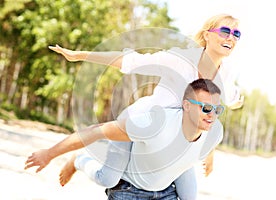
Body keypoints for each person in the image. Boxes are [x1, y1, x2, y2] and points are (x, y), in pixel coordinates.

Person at [26, 14, 244, 199]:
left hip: (178, 139)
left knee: (189, 196)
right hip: (144, 123)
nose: (230, 38)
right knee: (110, 178)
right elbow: (131, 61)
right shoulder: (180, 59)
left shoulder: (226, 74)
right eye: (225, 31)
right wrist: (81, 56)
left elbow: (217, 107)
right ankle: (80, 160)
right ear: (207, 34)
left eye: (236, 34)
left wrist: (207, 151)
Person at [25, 78, 225, 200]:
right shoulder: (154, 126)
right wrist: (49, 154)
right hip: (133, 161)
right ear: (186, 105)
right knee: (108, 178)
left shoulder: (215, 130)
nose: (212, 114)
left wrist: (209, 156)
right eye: (206, 108)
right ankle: (79, 160)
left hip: (168, 167)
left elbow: (208, 140)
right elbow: (97, 130)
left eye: (217, 109)